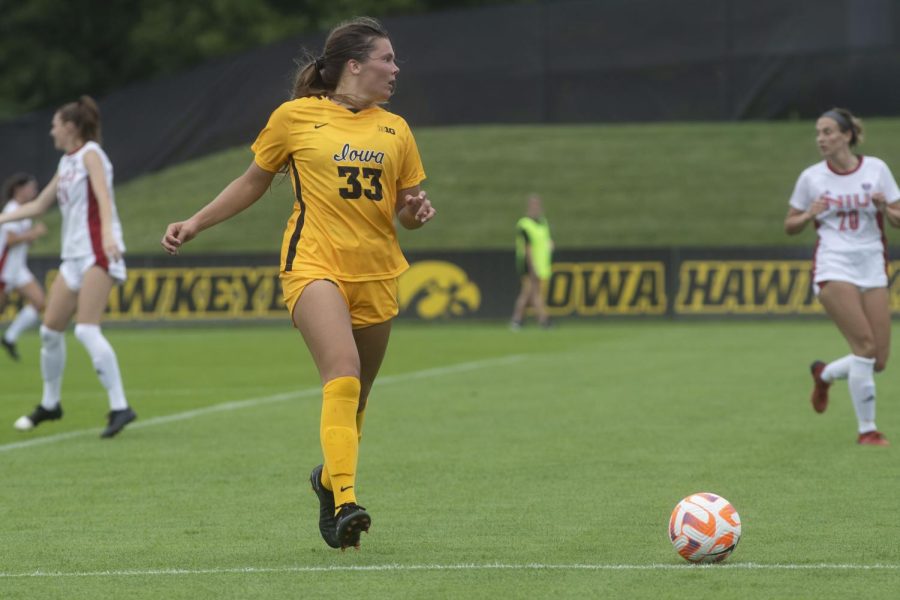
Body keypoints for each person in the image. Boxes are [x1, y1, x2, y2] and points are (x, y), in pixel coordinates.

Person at [161, 17, 435, 550]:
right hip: (313, 264)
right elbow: (252, 182)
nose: (396, 69)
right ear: (354, 65)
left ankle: (327, 478)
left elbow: (408, 208)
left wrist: (415, 215)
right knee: (343, 373)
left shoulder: (396, 129)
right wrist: (194, 222)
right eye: (387, 59)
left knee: (356, 403)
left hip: (377, 271)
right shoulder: (294, 118)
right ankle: (346, 501)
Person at [0, 96, 137, 439]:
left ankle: (120, 406)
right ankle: (50, 404)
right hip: (74, 256)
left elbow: (105, 198)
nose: (52, 131)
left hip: (98, 253)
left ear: (71, 127)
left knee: (86, 329)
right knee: (49, 330)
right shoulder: (67, 163)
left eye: (55, 124)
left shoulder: (91, 154)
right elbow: (37, 206)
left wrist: (108, 237)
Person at [784, 107, 900, 446]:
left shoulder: (876, 169)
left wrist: (885, 207)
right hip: (833, 264)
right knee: (863, 346)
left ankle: (824, 374)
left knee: (877, 360)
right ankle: (868, 431)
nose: (822, 138)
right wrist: (808, 214)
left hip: (872, 264)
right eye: (819, 132)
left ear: (847, 135)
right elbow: (790, 225)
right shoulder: (812, 177)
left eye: (829, 131)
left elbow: (898, 217)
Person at [1, 173, 48, 360]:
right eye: (31, 187)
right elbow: (11, 240)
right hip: (3, 269)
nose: (34, 191)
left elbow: (21, 240)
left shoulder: (25, 211)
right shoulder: (12, 209)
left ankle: (10, 338)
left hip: (18, 269)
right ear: (18, 189)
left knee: (40, 302)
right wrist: (33, 233)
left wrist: (30, 236)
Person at [511, 193, 553, 329]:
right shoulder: (524, 224)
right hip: (529, 264)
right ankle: (543, 320)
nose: (536, 207)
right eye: (533, 205)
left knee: (529, 293)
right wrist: (532, 266)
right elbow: (527, 248)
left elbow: (546, 240)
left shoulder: (542, 222)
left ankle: (518, 320)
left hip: (541, 264)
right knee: (532, 292)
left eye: (537, 204)